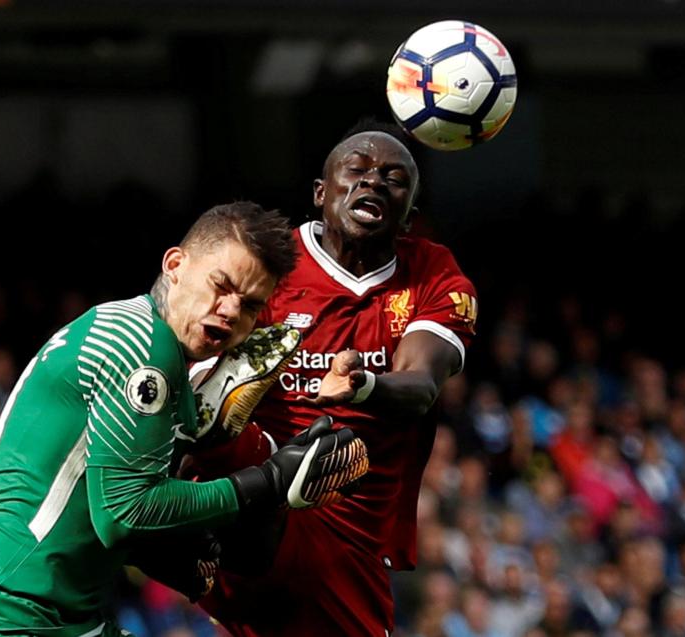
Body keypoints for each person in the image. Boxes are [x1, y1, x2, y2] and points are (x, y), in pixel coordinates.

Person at [0, 201, 368, 637]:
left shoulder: (139, 340)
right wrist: (265, 482)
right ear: (175, 265)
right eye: (221, 286)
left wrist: (166, 552)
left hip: (40, 614)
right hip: (3, 614)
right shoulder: (142, 345)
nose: (230, 311)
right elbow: (125, 512)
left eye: (249, 305)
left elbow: (96, 507)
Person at [197, 122, 479, 636]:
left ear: (408, 213)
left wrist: (362, 384)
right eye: (358, 169)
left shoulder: (433, 274)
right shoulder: (269, 263)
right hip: (262, 494)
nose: (373, 182)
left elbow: (420, 384)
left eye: (394, 178)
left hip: (352, 536)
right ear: (321, 192)